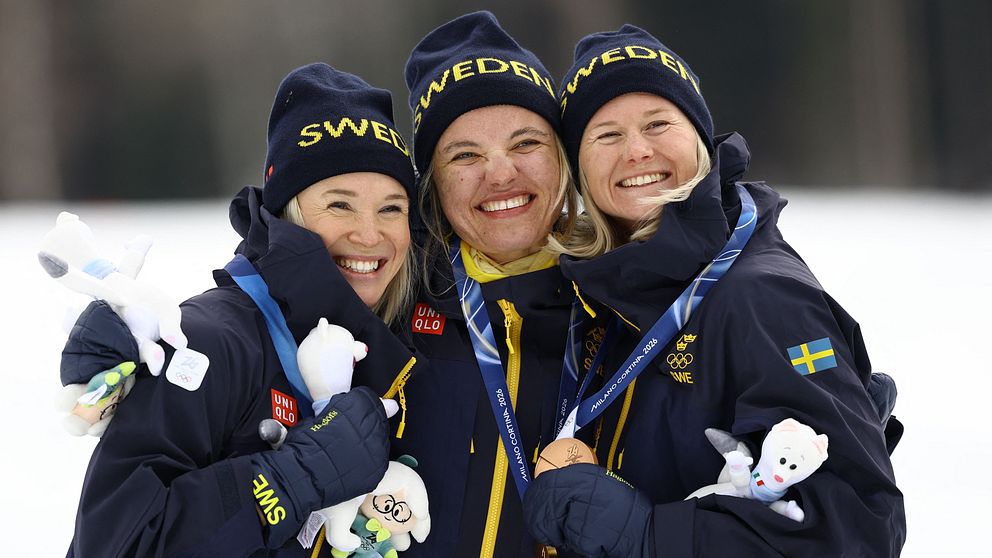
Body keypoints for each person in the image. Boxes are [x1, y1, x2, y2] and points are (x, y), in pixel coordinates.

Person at [521, 25, 906, 557]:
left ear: (699, 138)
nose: (636, 151)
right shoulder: (608, 292)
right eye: (607, 135)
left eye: (657, 123)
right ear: (579, 169)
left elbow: (860, 531)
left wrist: (649, 536)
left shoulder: (762, 298)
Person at [63, 63, 422, 557]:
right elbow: (116, 546)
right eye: (340, 205)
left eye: (391, 208)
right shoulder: (207, 342)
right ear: (288, 212)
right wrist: (293, 477)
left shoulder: (390, 349)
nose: (369, 233)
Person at [387, 11, 583, 557]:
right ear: (432, 183)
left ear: (564, 159)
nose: (500, 175)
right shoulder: (389, 299)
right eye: (466, 155)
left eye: (525, 143)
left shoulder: (624, 304)